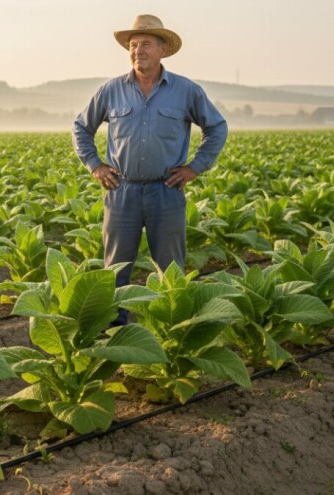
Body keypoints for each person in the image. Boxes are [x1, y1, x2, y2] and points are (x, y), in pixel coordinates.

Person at [72, 14, 228, 325]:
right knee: (115, 269)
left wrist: (195, 168)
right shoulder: (111, 90)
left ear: (162, 49)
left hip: (165, 191)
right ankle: (115, 333)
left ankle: (173, 331)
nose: (138, 50)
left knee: (171, 270)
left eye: (145, 44)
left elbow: (217, 128)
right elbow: (81, 127)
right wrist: (95, 166)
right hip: (122, 191)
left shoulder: (186, 91)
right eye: (133, 45)